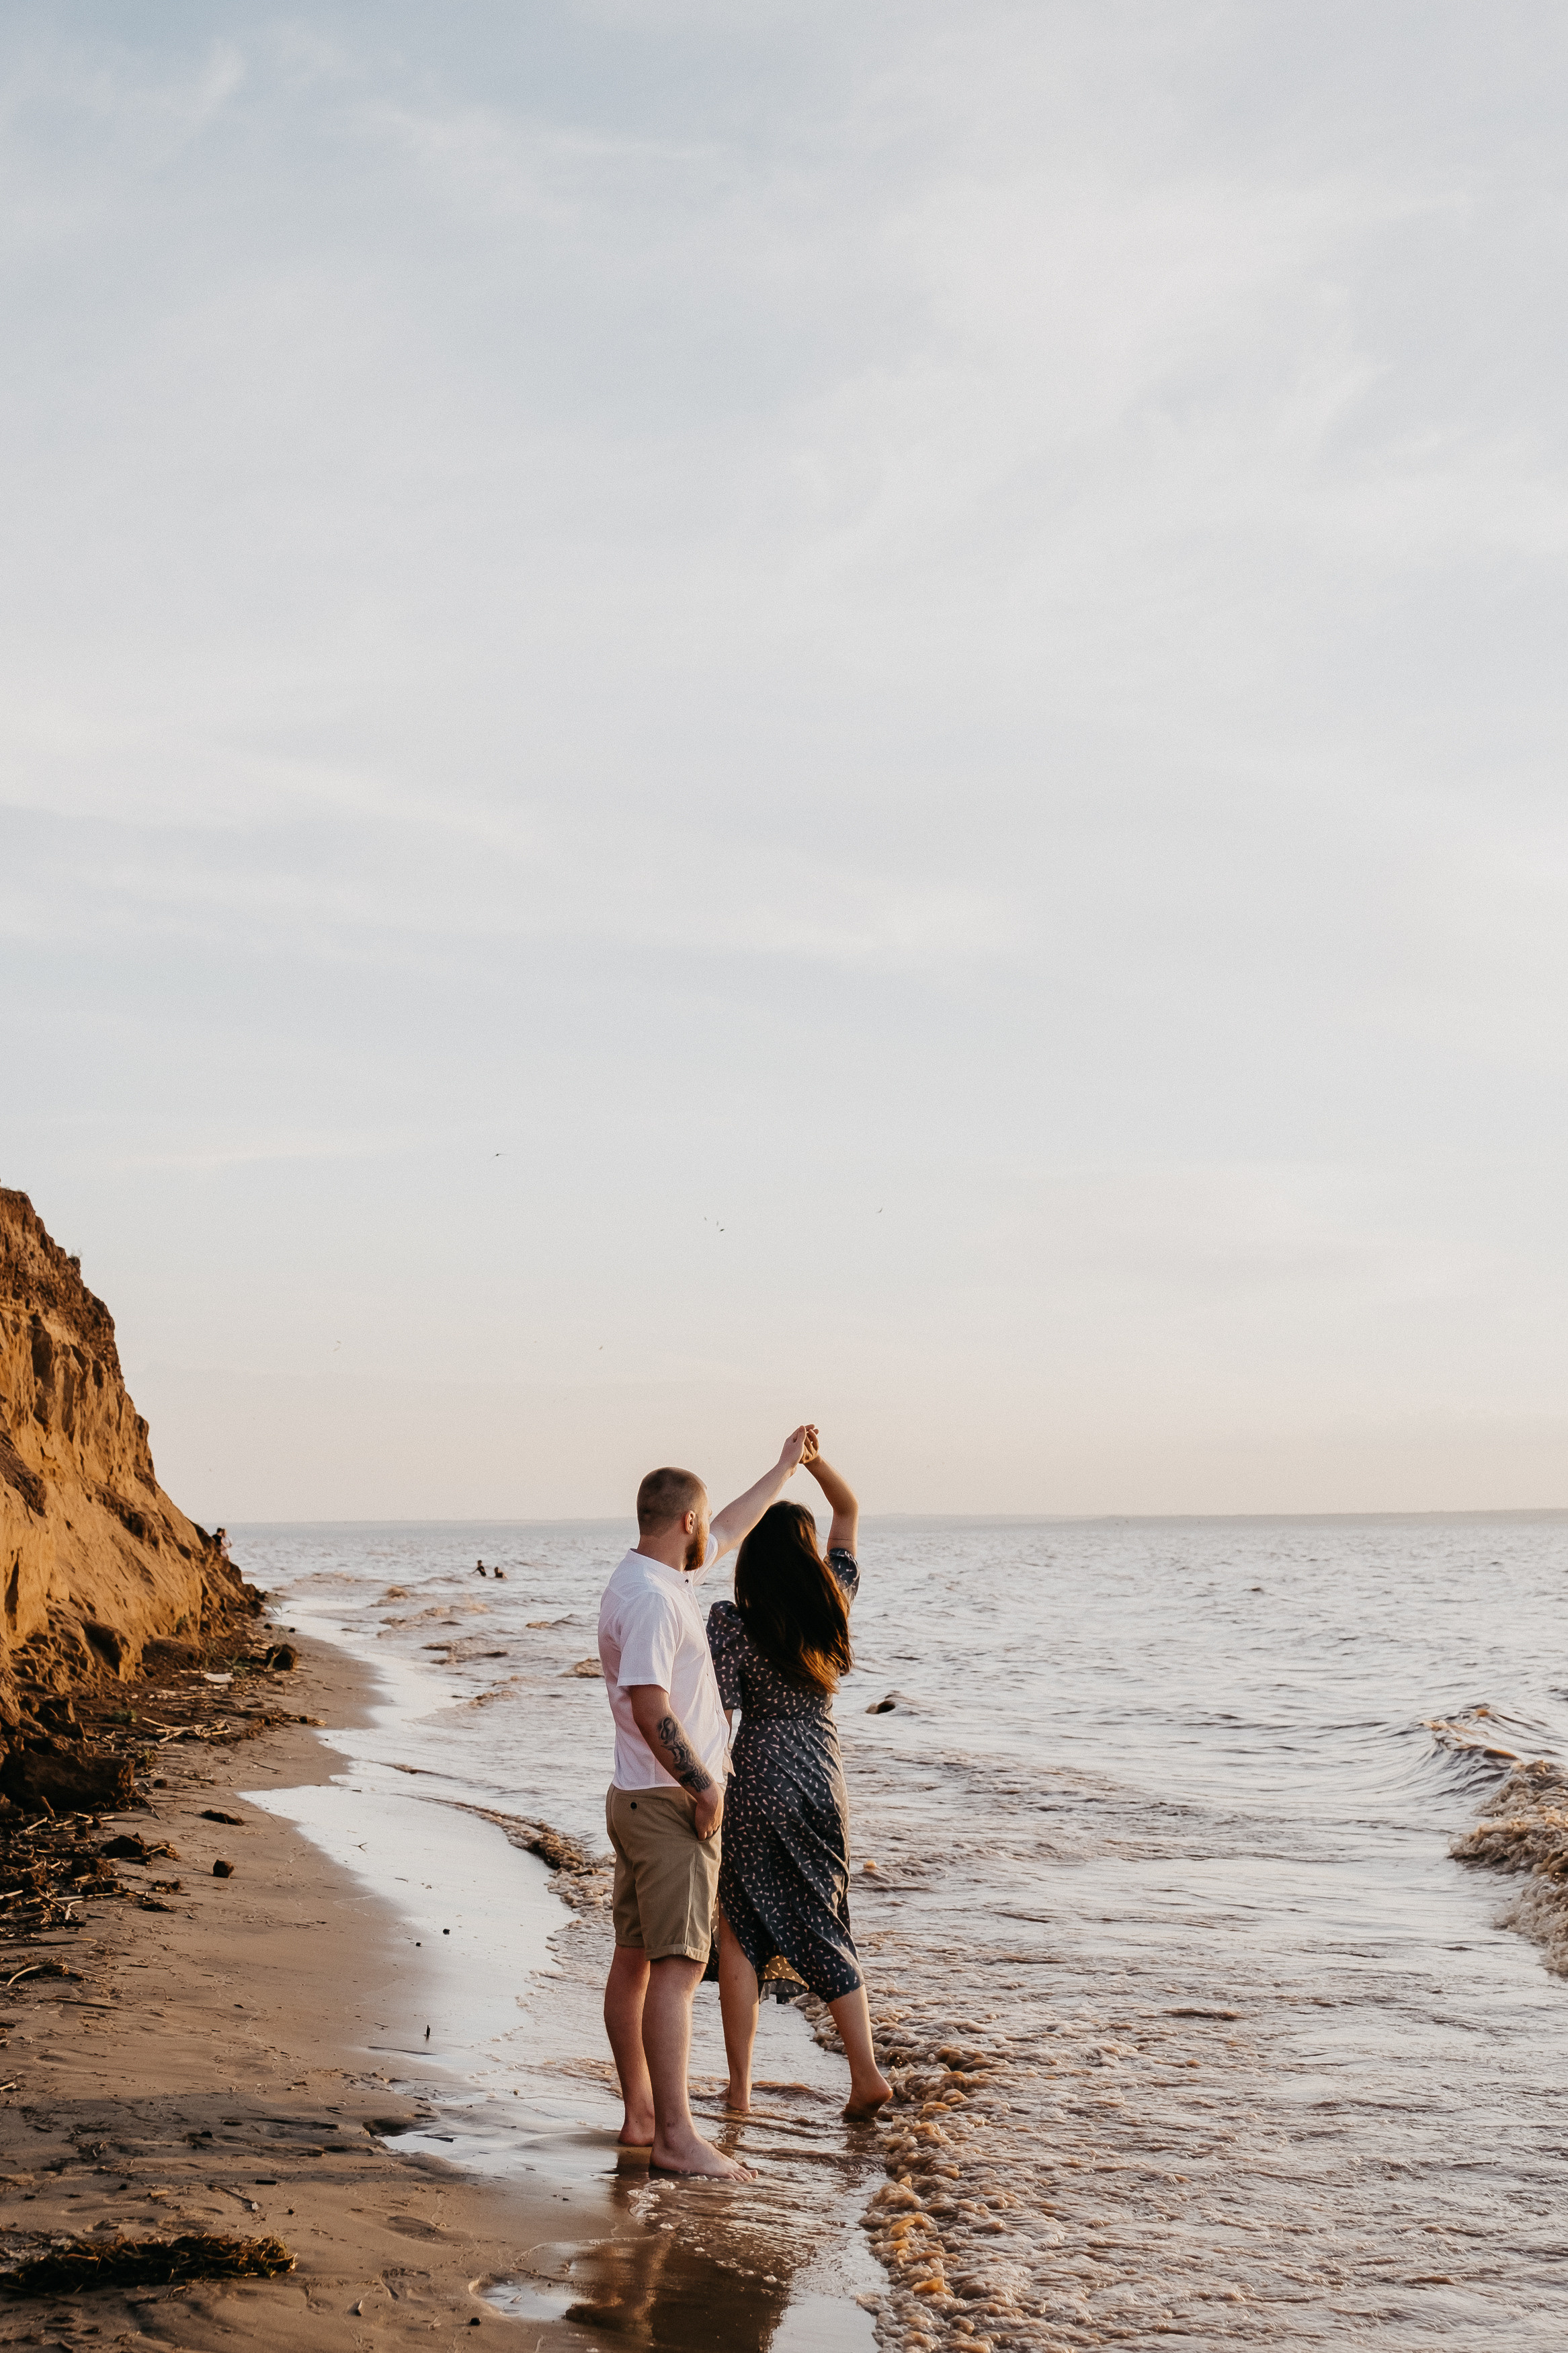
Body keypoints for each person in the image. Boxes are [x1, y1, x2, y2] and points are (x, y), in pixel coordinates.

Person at [597, 1425, 816, 2180]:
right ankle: (677, 2135)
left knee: (634, 1961)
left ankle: (641, 2115)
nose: (711, 1529)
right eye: (704, 1518)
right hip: (667, 1803)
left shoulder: (648, 1579)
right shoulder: (658, 1601)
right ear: (683, 1520)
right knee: (678, 1969)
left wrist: (784, 1467)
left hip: (632, 1797)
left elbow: (731, 1526)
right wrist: (703, 1784)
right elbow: (650, 1700)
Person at [706, 1442, 891, 2120]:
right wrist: (811, 1461)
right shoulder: (831, 1601)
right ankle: (865, 2072)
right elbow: (846, 1508)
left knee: (739, 1933)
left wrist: (699, 1787)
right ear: (809, 1556)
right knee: (822, 1923)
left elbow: (718, 1714)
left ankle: (738, 2089)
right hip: (819, 1773)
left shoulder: (732, 1623)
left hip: (754, 1776)